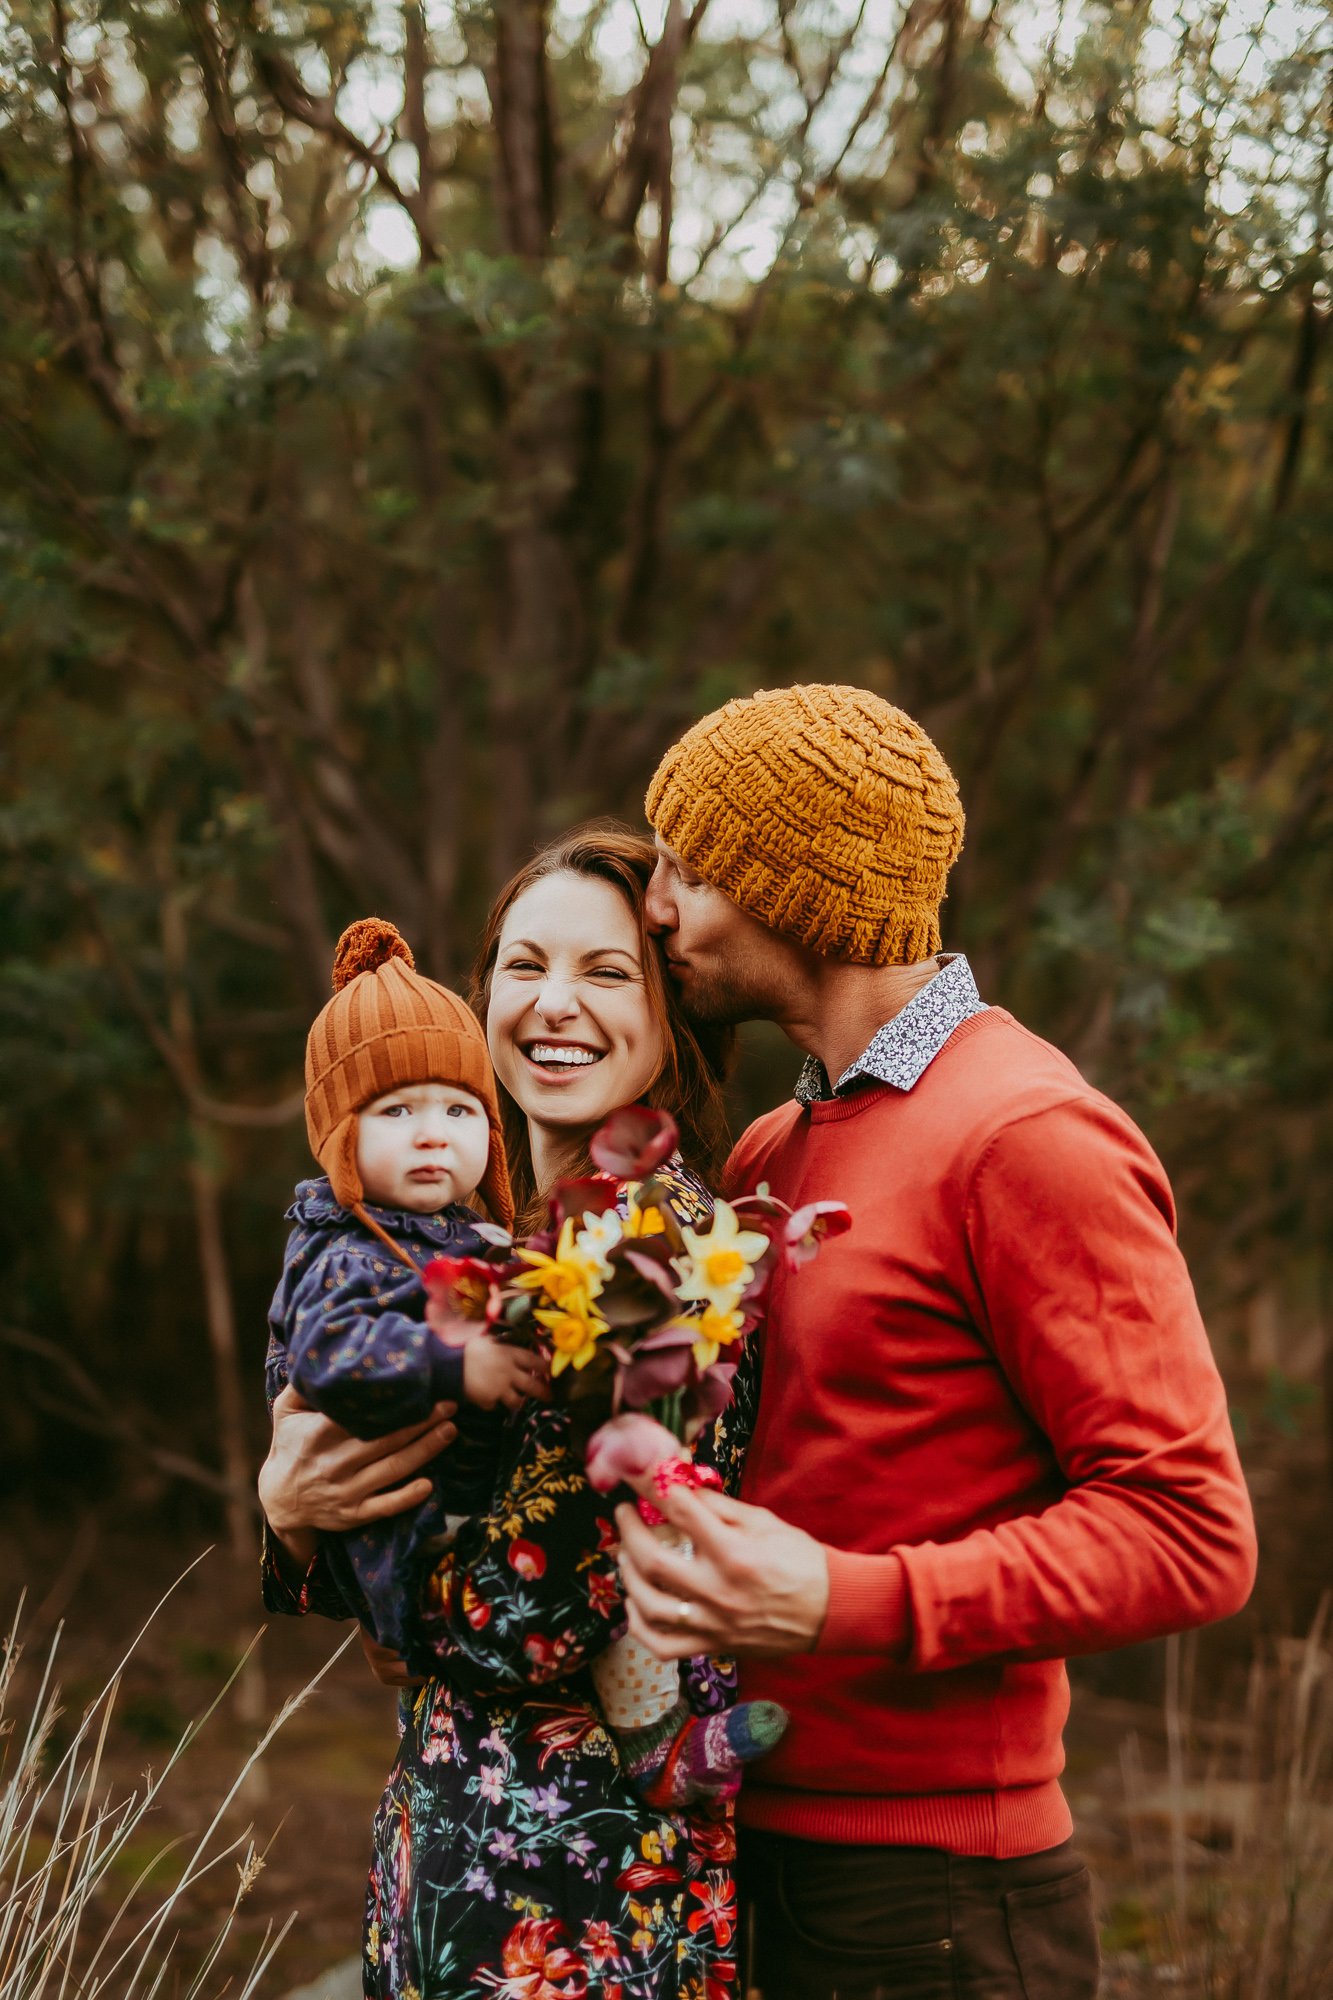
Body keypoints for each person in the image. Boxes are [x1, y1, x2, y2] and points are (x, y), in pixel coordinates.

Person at [612, 682, 1259, 2000]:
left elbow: (1188, 1532)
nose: (655, 905)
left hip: (940, 1905)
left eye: (687, 868)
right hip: (748, 1854)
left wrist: (846, 1602)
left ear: (786, 883)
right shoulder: (772, 1151)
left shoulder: (1025, 1137)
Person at [259, 828, 756, 2000]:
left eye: (607, 970)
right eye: (525, 966)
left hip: (579, 1886)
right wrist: (288, 1514)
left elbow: (530, 1619)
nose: (555, 1004)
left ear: (671, 1011)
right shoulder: (473, 1237)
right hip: (454, 1858)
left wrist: (317, 1539)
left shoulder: (657, 1249)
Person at [265, 913, 540, 1670]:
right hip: (407, 1548)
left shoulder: (457, 1233)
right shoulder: (344, 1250)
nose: (433, 1134)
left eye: (458, 1110)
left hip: (461, 1519)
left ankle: (662, 1732)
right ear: (340, 1137)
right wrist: (457, 1362)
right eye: (397, 1111)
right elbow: (329, 1356)